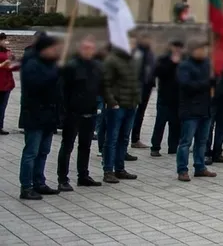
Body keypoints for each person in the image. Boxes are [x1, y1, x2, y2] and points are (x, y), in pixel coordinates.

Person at [18, 33, 63, 200]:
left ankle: (39, 182)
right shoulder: (31, 63)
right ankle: (26, 186)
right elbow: (36, 85)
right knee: (31, 152)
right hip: (34, 115)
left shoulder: (52, 64)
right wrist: (57, 74)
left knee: (44, 151)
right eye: (53, 48)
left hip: (49, 115)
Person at [58, 36, 103, 191]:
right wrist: (64, 113)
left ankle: (83, 175)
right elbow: (63, 90)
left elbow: (100, 86)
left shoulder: (96, 66)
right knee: (67, 146)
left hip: (90, 112)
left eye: (91, 48)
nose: (89, 51)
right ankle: (62, 179)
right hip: (73, 113)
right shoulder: (71, 66)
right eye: (86, 48)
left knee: (85, 145)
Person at [175, 40, 217, 182]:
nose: (203, 52)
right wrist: (207, 83)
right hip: (190, 110)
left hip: (206, 108)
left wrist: (215, 80)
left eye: (204, 50)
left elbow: (213, 82)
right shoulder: (185, 66)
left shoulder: (207, 64)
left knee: (202, 141)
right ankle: (182, 170)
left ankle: (200, 167)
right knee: (186, 142)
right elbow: (186, 85)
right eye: (200, 50)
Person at [101, 38, 141, 185]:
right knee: (112, 139)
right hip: (117, 106)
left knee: (124, 138)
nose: (132, 46)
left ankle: (120, 168)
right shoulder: (111, 60)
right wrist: (112, 102)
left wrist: (137, 99)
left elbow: (135, 81)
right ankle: (108, 170)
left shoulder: (132, 60)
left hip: (131, 104)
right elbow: (105, 83)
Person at [129, 32, 157, 149]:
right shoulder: (137, 52)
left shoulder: (149, 52)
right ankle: (133, 138)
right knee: (133, 113)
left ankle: (135, 138)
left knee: (140, 112)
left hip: (147, 85)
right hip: (138, 86)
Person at [0, 33, 17, 135]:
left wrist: (13, 62)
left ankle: (0, 126)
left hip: (6, 83)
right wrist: (3, 64)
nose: (5, 42)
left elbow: (14, 67)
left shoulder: (8, 52)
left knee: (2, 106)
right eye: (3, 40)